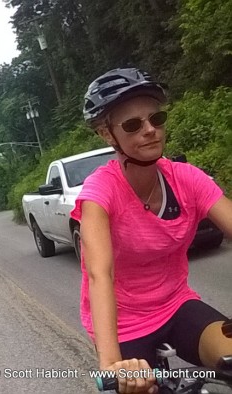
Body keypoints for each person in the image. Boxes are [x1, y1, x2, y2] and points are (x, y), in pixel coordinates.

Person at [73, 67, 232, 394]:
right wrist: (111, 365)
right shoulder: (100, 193)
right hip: (124, 325)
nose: (150, 130)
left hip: (177, 305)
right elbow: (100, 275)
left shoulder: (186, 178)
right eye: (133, 124)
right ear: (107, 133)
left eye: (156, 119)